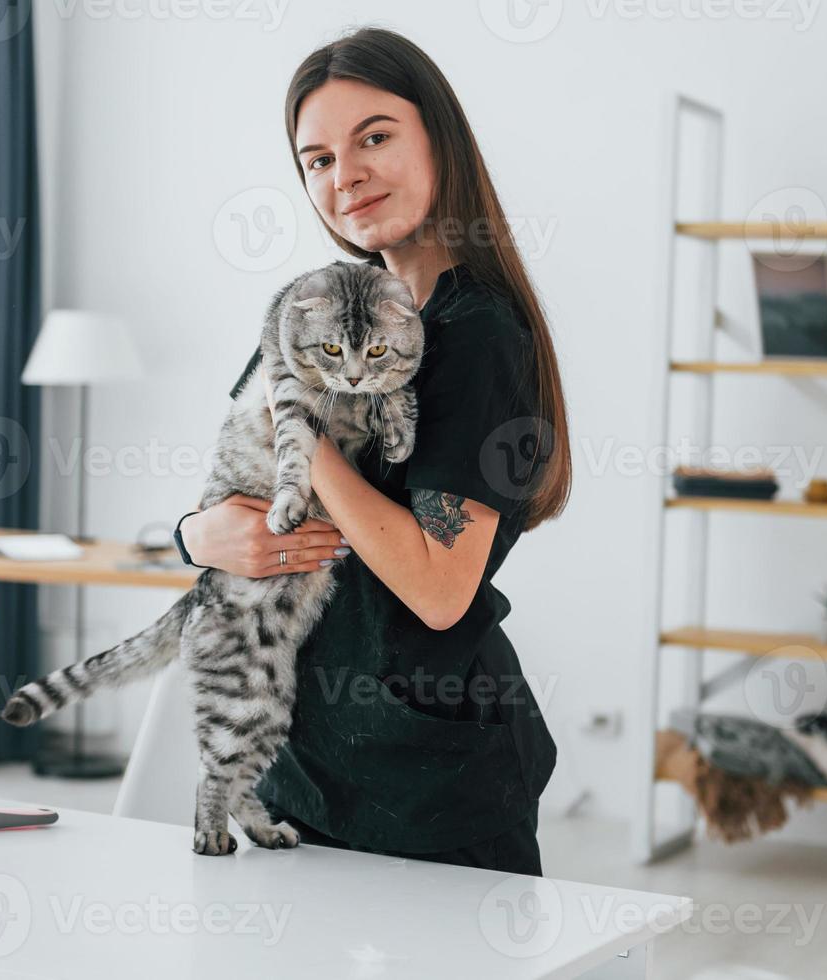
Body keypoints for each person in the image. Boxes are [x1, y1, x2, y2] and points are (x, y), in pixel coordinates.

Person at [175, 27, 572, 876]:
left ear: (440, 138)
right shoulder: (322, 305)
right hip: (297, 773)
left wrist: (304, 429)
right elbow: (233, 488)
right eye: (315, 158)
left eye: (375, 137)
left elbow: (437, 586)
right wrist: (193, 536)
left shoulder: (479, 337)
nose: (343, 175)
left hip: (432, 796)